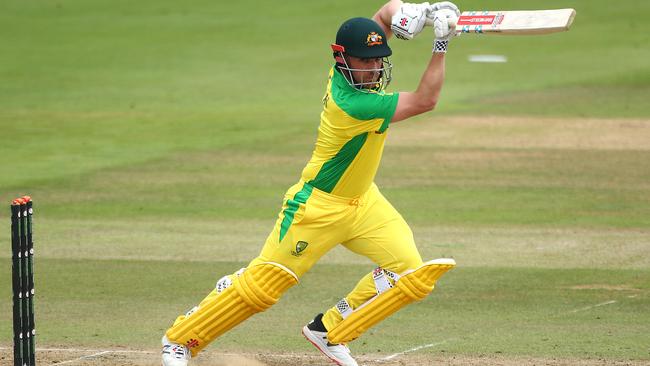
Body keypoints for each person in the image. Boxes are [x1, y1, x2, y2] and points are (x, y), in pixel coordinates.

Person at [161, 1, 460, 365]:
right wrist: (441, 45)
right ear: (342, 60)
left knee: (409, 273)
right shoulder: (352, 104)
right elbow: (426, 100)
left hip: (363, 202)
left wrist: (416, 12)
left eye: (378, 58)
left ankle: (330, 330)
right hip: (316, 207)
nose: (374, 67)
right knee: (262, 290)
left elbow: (382, 14)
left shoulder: (353, 70)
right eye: (366, 61)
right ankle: (180, 340)